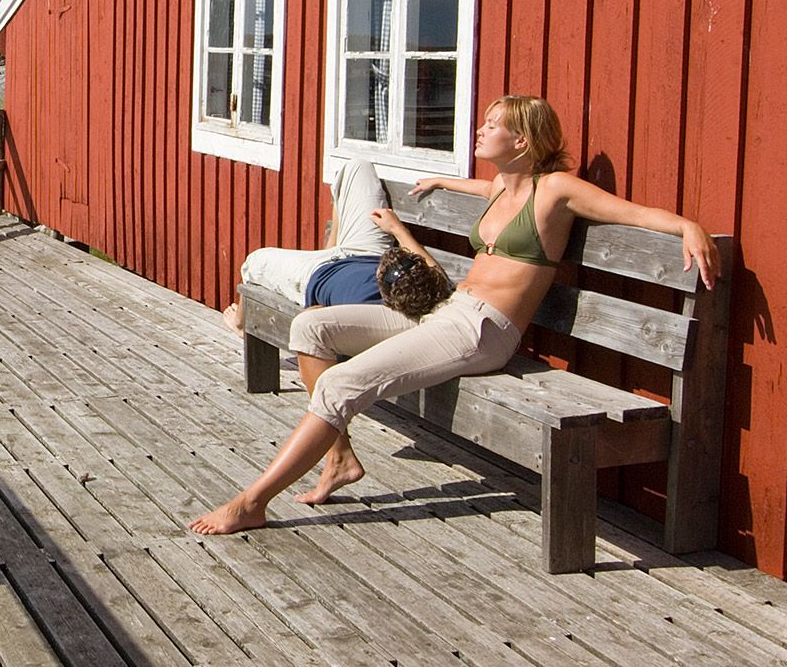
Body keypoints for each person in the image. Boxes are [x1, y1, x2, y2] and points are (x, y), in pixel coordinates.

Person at [190, 94, 720, 535]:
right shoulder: (499, 188)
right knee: (311, 325)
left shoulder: (555, 189)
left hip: (483, 329)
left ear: (523, 142)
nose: (480, 130)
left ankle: (252, 503)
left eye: (494, 125)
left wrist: (688, 226)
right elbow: (480, 187)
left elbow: (633, 213)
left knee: (340, 386)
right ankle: (340, 456)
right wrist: (441, 184)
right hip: (449, 311)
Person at [222, 157, 395, 332]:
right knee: (358, 167)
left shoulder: (363, 320)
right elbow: (424, 262)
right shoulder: (416, 303)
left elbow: (313, 320)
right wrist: (396, 228)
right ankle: (332, 249)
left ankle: (239, 323)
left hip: (317, 273)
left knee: (256, 260)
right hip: (371, 254)